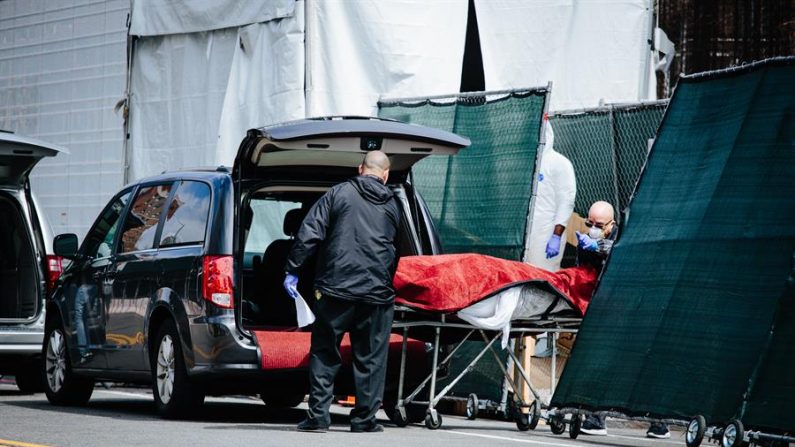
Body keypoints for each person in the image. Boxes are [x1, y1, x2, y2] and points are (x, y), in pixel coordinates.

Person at [284, 150, 401, 434]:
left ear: (361, 169)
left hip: (336, 288)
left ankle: (319, 418)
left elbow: (309, 232)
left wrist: (293, 269)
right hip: (376, 292)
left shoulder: (338, 194)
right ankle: (364, 420)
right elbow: (397, 249)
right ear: (385, 175)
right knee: (371, 356)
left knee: (325, 350)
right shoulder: (394, 205)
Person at [575, 201, 670, 439]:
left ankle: (659, 422)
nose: (593, 228)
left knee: (635, 363)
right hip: (608, 305)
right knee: (602, 361)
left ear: (612, 224)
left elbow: (619, 250)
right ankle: (596, 419)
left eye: (599, 225)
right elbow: (585, 272)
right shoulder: (587, 242)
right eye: (590, 224)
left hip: (634, 305)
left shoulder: (625, 237)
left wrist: (598, 246)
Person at [527, 117, 576, 272]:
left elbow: (566, 202)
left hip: (547, 233)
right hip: (527, 233)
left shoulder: (560, 163)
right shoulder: (529, 163)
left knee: (544, 275)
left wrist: (555, 236)